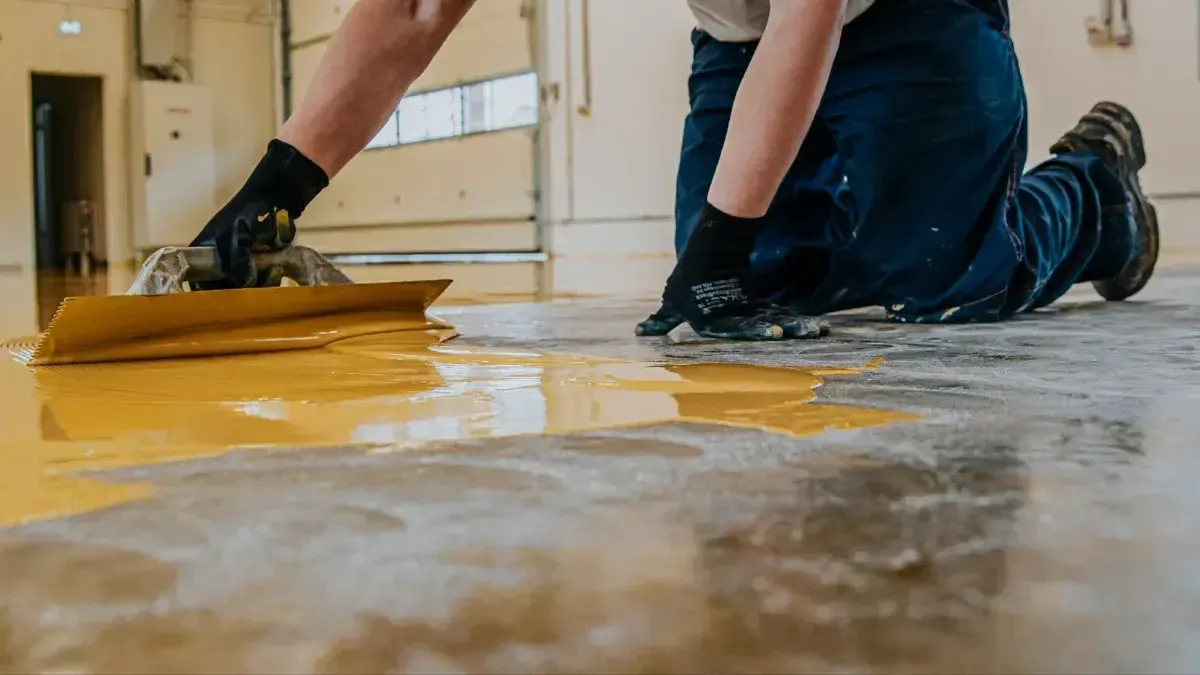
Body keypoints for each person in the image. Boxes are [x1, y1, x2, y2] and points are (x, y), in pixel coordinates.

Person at [192, 0, 1158, 344]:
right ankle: (870, 227)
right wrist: (278, 185)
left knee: (941, 274)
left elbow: (810, 11)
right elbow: (413, 7)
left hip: (909, 11)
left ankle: (1094, 192)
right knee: (753, 283)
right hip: (743, 33)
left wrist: (721, 242)